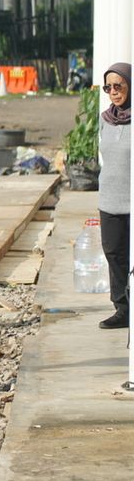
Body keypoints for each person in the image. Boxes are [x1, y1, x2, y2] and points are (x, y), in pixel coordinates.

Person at [98, 61, 132, 330]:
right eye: (108, 87)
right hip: (109, 198)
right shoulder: (105, 118)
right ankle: (122, 308)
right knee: (113, 253)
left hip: (132, 199)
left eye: (118, 85)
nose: (113, 91)